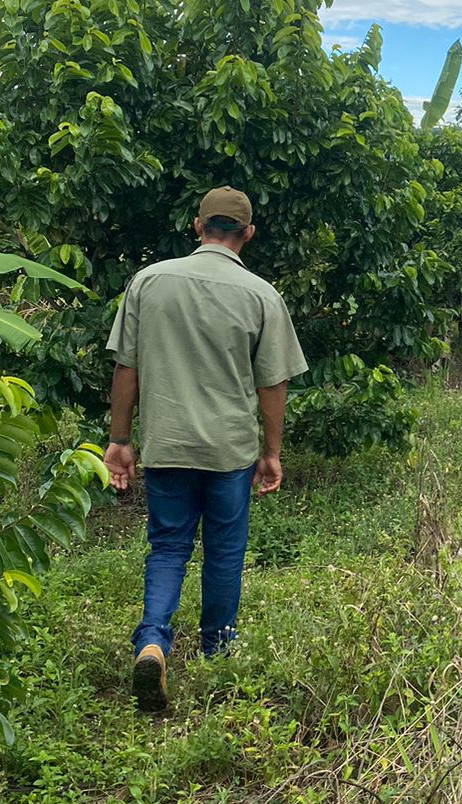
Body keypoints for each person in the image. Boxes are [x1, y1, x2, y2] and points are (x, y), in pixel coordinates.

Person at [103, 186, 309, 712]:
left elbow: (127, 369)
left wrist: (120, 440)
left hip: (166, 444)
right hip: (229, 451)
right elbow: (273, 385)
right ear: (248, 234)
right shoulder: (261, 294)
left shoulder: (148, 283)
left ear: (197, 226)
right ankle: (218, 648)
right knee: (223, 550)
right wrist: (272, 451)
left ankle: (152, 640)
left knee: (168, 546)